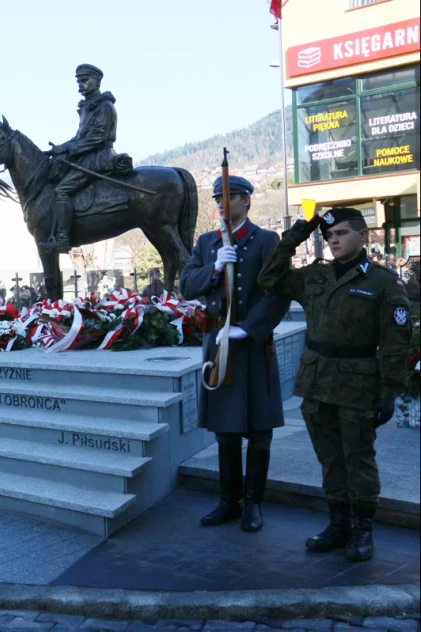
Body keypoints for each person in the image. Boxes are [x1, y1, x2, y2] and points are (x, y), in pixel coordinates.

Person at [258, 207, 410, 561]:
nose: (334, 240)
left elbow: (395, 344)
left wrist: (388, 394)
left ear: (362, 235)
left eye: (341, 233)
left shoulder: (383, 283)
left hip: (358, 385)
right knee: (329, 459)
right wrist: (296, 234)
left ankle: (361, 529)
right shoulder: (315, 276)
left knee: (358, 458)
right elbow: (269, 277)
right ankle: (338, 524)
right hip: (316, 382)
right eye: (329, 236)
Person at [180, 175, 290, 533]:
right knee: (225, 432)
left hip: (252, 346)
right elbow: (185, 285)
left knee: (259, 432)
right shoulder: (207, 242)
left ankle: (253, 504)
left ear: (247, 201)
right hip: (219, 345)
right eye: (217, 199)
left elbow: (278, 291)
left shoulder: (266, 240)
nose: (221, 205)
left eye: (229, 197)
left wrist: (251, 327)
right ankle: (229, 501)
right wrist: (213, 268)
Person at [41, 63, 119, 253]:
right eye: (78, 82)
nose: (80, 85)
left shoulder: (105, 106)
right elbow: (79, 138)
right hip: (88, 155)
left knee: (62, 190)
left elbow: (97, 138)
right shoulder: (88, 108)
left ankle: (63, 240)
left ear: (97, 81)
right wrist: (60, 148)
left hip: (99, 158)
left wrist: (69, 148)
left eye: (84, 81)